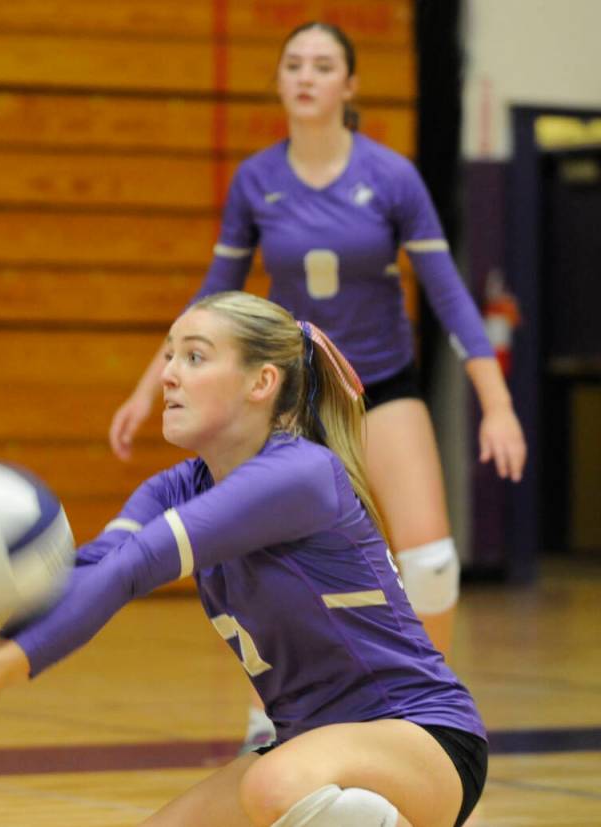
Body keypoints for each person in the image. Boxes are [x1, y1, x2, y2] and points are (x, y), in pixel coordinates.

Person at [0, 292, 488, 827]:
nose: (167, 375)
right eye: (168, 356)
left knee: (276, 784)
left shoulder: (300, 475)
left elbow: (137, 565)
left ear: (261, 382)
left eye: (194, 357)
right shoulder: (172, 489)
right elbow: (90, 573)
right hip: (306, 745)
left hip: (422, 738)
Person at [108, 21, 525, 749]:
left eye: (323, 64)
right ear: (279, 82)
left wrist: (497, 404)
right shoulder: (256, 180)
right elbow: (213, 297)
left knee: (428, 562)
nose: (306, 75)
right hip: (291, 401)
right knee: (271, 570)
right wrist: (148, 389)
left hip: (382, 387)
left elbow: (451, 295)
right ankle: (282, 713)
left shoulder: (392, 176)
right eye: (293, 63)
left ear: (349, 85)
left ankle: (422, 717)